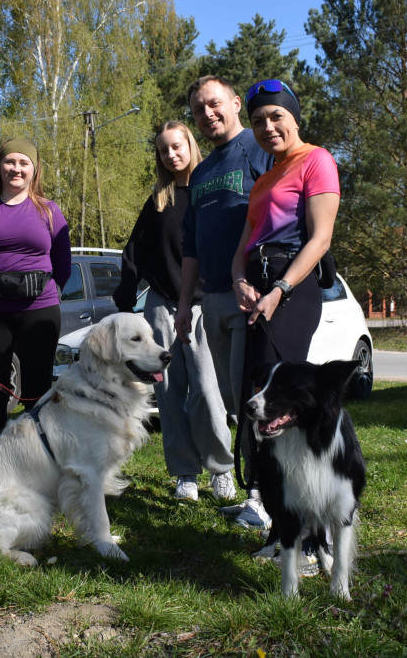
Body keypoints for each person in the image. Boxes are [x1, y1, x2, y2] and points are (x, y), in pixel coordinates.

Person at [230, 78, 341, 553]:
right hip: (257, 291)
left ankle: (316, 540)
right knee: (259, 411)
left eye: (276, 116)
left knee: (287, 409)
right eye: (258, 121)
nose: (268, 127)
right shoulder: (263, 179)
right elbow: (243, 247)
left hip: (290, 290)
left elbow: (320, 239)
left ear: (295, 117)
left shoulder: (317, 160)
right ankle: (282, 530)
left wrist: (278, 289)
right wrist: (240, 280)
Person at [113, 121, 236, 502]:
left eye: (177, 146)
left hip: (202, 305)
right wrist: (127, 287)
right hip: (161, 306)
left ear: (190, 145)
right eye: (164, 150)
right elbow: (135, 249)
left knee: (206, 390)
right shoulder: (158, 201)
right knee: (167, 391)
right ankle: (184, 472)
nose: (171, 155)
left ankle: (220, 469)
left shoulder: (210, 190)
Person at [173, 76, 274, 523]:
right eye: (199, 110)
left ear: (235, 103)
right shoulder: (202, 172)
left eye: (215, 104)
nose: (208, 114)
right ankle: (260, 489)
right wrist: (182, 306)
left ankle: (266, 496)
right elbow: (190, 246)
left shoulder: (260, 146)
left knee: (259, 399)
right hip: (212, 299)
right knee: (238, 404)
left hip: (254, 296)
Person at [0, 138, 71, 458]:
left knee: (38, 393)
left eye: (24, 163)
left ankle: (41, 464)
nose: (16, 168)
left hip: (39, 312)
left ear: (34, 170)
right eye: (10, 162)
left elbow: (63, 264)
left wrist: (48, 292)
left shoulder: (49, 210)